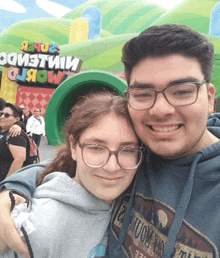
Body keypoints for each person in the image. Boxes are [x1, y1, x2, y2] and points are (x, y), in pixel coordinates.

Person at [0, 24, 220, 258]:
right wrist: (16, 188)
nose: (160, 110)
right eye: (143, 94)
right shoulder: (144, 149)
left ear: (208, 98)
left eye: (182, 91)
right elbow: (77, 163)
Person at [0, 90, 142, 258]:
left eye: (127, 150)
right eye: (96, 148)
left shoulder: (138, 200)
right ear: (74, 147)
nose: (112, 166)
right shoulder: (37, 228)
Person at [0, 103, 29, 182]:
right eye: (1, 114)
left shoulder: (15, 134)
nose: (2, 117)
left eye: (7, 115)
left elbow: (19, 159)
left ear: (17, 119)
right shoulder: (3, 131)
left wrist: (7, 182)